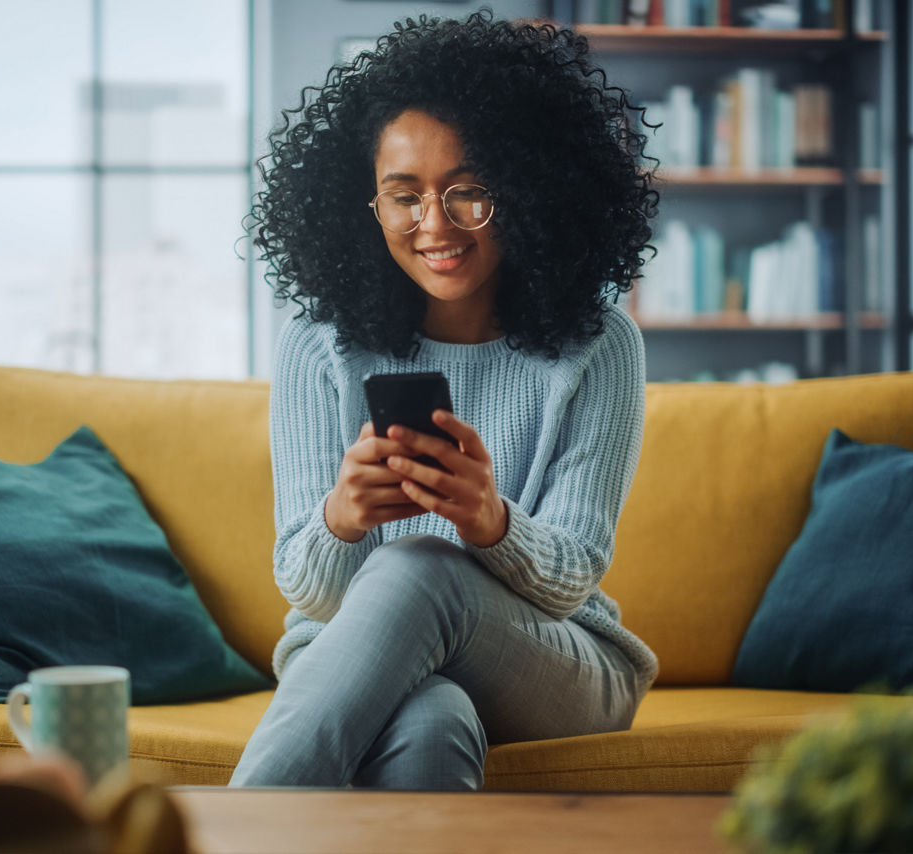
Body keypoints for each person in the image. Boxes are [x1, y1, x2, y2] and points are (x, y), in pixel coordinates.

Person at [228, 9, 660, 791]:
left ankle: (219, 836)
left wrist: (489, 521)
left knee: (422, 565)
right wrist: (344, 516)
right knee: (433, 723)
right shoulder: (317, 344)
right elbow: (311, 590)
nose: (435, 225)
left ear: (530, 192)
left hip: (556, 664)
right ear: (367, 206)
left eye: (469, 193)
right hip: (352, 657)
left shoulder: (601, 345)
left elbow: (570, 581)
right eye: (404, 197)